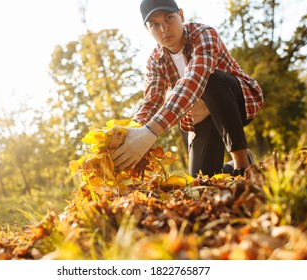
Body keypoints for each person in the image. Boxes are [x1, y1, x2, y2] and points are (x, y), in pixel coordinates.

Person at [111, 0, 264, 177]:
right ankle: (231, 166)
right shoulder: (155, 60)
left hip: (238, 102)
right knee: (203, 178)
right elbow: (152, 101)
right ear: (147, 29)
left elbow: (195, 79)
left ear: (181, 15)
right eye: (155, 24)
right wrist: (131, 132)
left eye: (169, 18)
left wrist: (150, 132)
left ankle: (243, 166)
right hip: (202, 116)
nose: (164, 28)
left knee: (211, 80)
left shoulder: (204, 34)